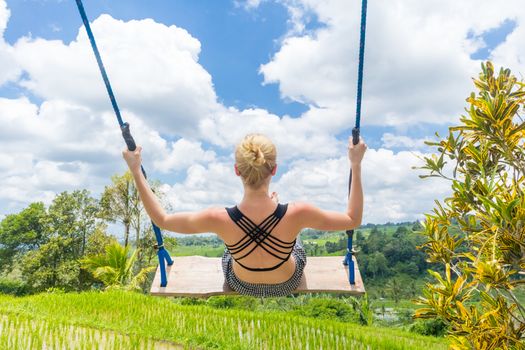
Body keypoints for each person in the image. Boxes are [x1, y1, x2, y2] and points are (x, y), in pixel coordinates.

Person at [123, 133, 366, 297]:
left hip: (241, 284)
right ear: (275, 169)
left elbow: (161, 219)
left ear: (237, 170)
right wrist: (356, 164)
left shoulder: (219, 218)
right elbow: (352, 219)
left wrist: (136, 170)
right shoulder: (298, 213)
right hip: (287, 282)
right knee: (294, 240)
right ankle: (273, 211)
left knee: (230, 247)